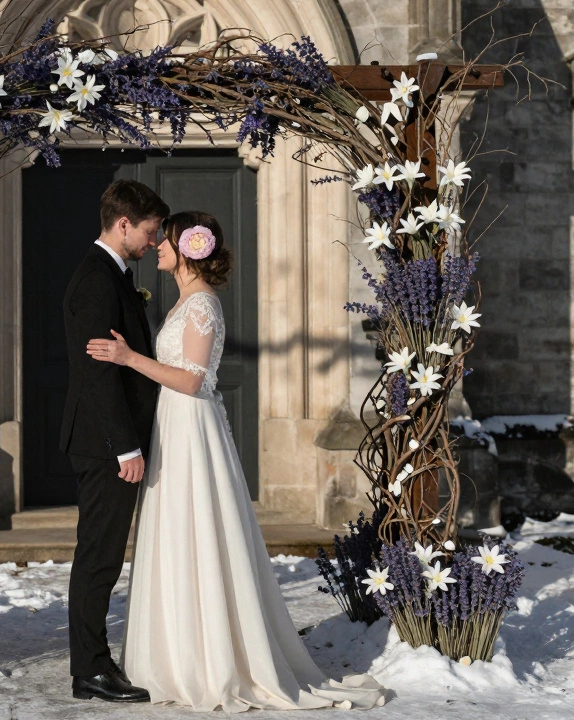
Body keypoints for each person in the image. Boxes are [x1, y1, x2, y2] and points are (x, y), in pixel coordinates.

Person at [86, 211, 388, 711]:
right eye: (156, 236)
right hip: (175, 428)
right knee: (176, 535)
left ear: (187, 249)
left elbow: (193, 380)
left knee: (199, 532)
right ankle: (175, 656)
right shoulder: (186, 301)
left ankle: (210, 661)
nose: (157, 244)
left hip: (193, 431)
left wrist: (129, 359)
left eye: (167, 239)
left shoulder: (202, 304)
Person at [59, 179, 167, 703]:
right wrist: (125, 446)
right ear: (123, 224)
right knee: (99, 556)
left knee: (103, 554)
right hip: (105, 445)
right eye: (150, 231)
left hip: (111, 441)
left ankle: (94, 662)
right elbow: (96, 372)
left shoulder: (114, 274)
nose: (155, 241)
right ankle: (90, 668)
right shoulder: (97, 280)